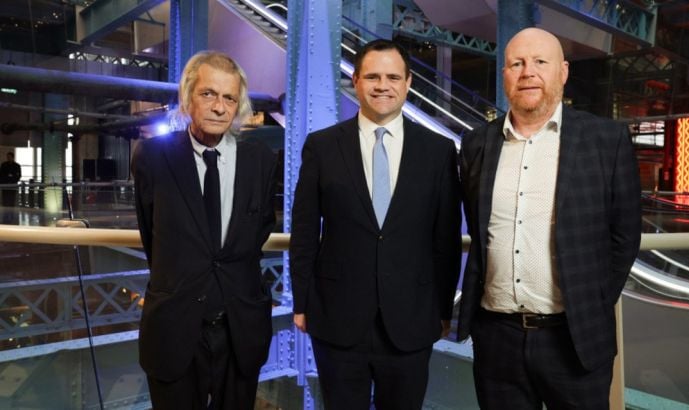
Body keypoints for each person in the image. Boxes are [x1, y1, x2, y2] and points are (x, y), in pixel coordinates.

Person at [457, 28, 642, 410]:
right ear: (505, 75)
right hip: (497, 339)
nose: (528, 72)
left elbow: (625, 235)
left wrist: (592, 302)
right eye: (517, 63)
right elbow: (476, 231)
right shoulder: (476, 143)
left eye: (540, 62)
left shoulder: (606, 140)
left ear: (563, 71)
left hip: (574, 340)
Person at [289, 39, 462, 410]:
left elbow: (445, 241)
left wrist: (443, 310)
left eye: (393, 77)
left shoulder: (439, 151)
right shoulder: (322, 146)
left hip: (411, 318)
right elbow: (304, 231)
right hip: (337, 317)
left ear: (408, 82)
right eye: (373, 76)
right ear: (356, 81)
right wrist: (301, 301)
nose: (383, 85)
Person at [132, 51, 276, 410]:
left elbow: (257, 234)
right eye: (208, 94)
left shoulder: (260, 161)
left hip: (239, 327)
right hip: (174, 326)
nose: (219, 107)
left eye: (229, 98)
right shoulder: (152, 157)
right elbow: (154, 237)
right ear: (187, 97)